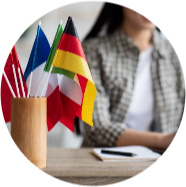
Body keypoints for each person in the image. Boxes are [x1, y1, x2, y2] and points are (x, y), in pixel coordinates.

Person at [81, 3, 185, 151]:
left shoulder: (174, 54)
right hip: (102, 162)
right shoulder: (93, 52)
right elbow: (96, 128)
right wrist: (163, 140)